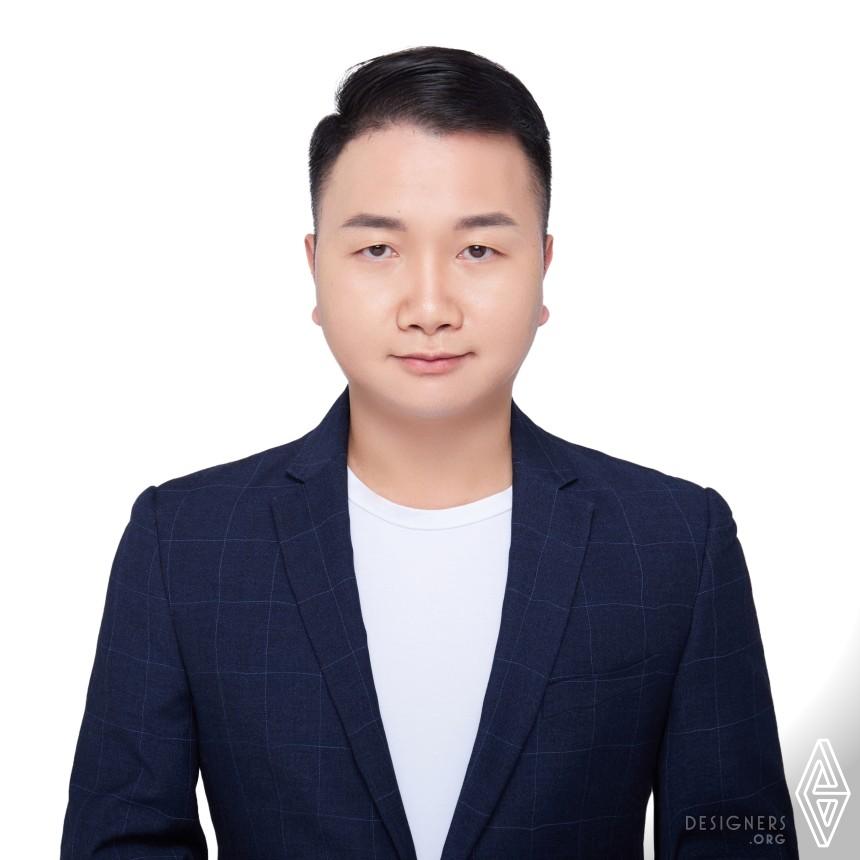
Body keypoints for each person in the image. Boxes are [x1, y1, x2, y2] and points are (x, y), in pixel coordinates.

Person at [60, 45, 798, 859]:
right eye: (378, 249)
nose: (430, 306)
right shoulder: (185, 542)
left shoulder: (673, 541)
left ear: (543, 268)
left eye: (478, 250)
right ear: (315, 269)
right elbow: (121, 842)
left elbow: (741, 836)